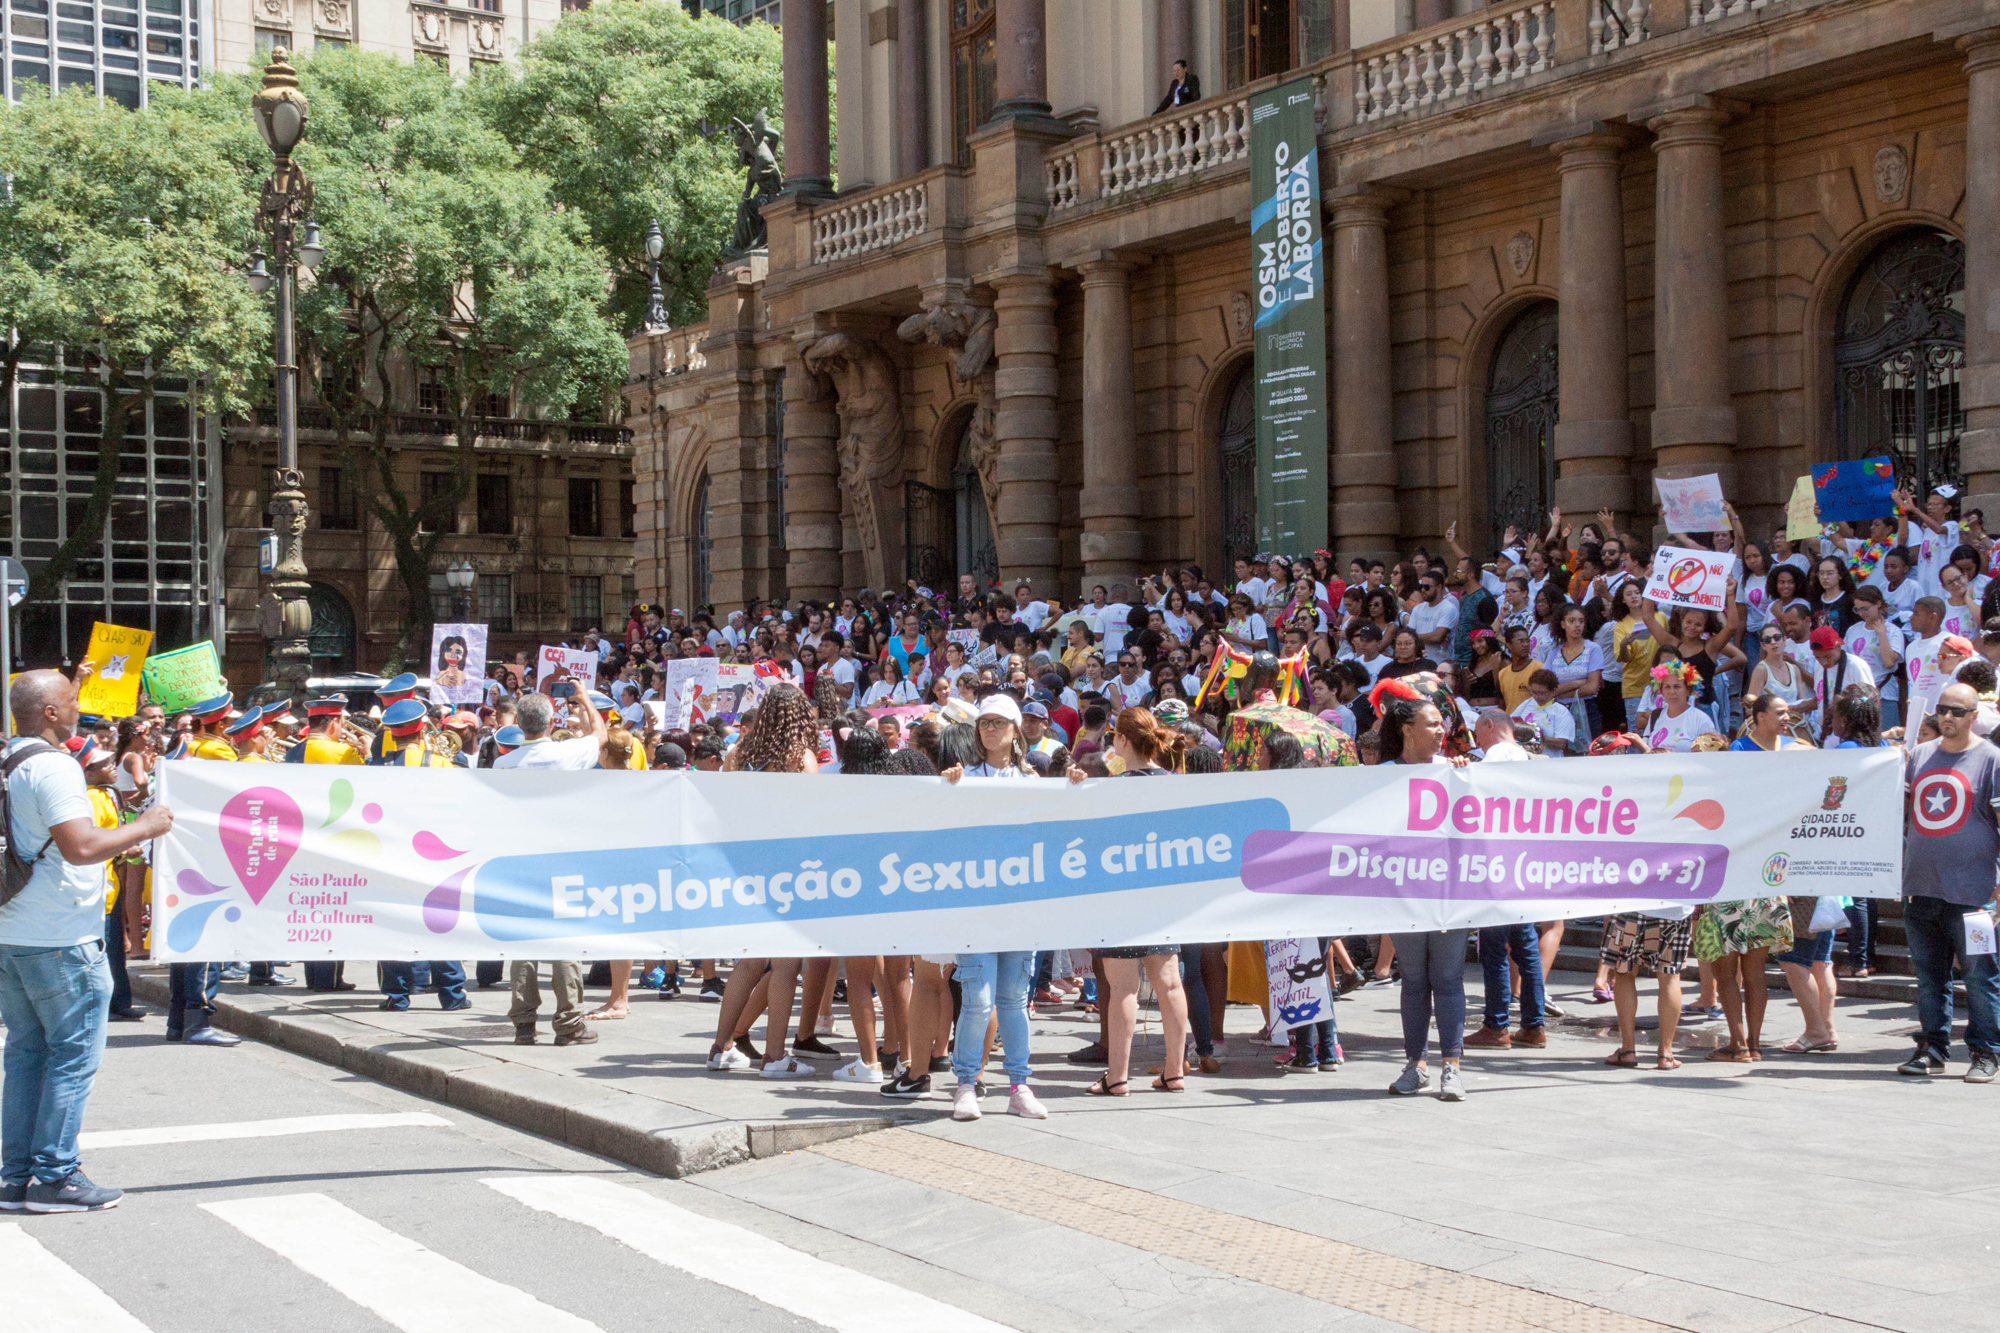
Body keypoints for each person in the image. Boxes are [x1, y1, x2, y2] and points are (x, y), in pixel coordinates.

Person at [2, 670, 174, 1213]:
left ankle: (14, 1177)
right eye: (72, 698)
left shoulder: (9, 760)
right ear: (50, 712)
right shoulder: (51, 767)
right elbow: (81, 846)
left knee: (27, 1052)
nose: (80, 704)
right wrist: (146, 826)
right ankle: (55, 1176)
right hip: (59, 934)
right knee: (71, 1054)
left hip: (15, 929)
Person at [939, 696, 1048, 1121]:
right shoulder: (964, 778)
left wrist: (1072, 786)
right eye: (984, 722)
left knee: (1014, 1001)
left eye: (1000, 722)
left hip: (1020, 906)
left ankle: (1019, 1085)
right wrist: (949, 788)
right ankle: (967, 1083)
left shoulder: (1033, 780)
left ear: (1016, 729)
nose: (990, 729)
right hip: (978, 905)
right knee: (978, 1001)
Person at [1083, 709, 1194, 1099]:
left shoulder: (1113, 787)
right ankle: (1175, 1070)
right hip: (1163, 892)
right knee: (1169, 983)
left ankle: (1117, 1076)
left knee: (1123, 988)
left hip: (1122, 894)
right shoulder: (1174, 783)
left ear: (1123, 741)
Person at [1896, 681, 2000, 1081]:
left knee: (1980, 977)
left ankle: (1986, 1052)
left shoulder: (1991, 760)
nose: (1948, 717)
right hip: (1920, 888)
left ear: (1974, 715)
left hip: (1973, 894)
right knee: (1928, 977)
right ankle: (1931, 1049)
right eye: (1942, 709)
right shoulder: (1919, 755)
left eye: (1957, 711)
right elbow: (1895, 811)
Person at [1374, 681, 1471, 1101]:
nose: (1442, 730)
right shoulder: (1379, 778)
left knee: (1447, 978)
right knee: (1413, 980)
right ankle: (1416, 1065)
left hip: (1450, 894)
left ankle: (1453, 1066)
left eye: (1443, 723)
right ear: (1406, 730)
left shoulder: (1457, 770)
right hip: (1404, 894)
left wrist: (1468, 778)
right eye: (1431, 723)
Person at [500, 690, 607, 1047]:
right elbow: (601, 736)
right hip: (562, 860)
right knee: (564, 941)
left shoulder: (503, 765)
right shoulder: (565, 754)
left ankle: (524, 1023)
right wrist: (582, 698)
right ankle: (569, 1023)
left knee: (523, 943)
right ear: (550, 723)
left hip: (518, 862)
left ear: (518, 724)